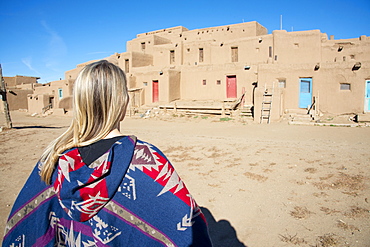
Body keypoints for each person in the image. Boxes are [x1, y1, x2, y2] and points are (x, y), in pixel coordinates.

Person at [3, 60, 212, 247]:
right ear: (122, 102)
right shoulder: (146, 162)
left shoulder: (51, 162)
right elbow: (187, 234)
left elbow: (22, 232)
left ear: (79, 103)